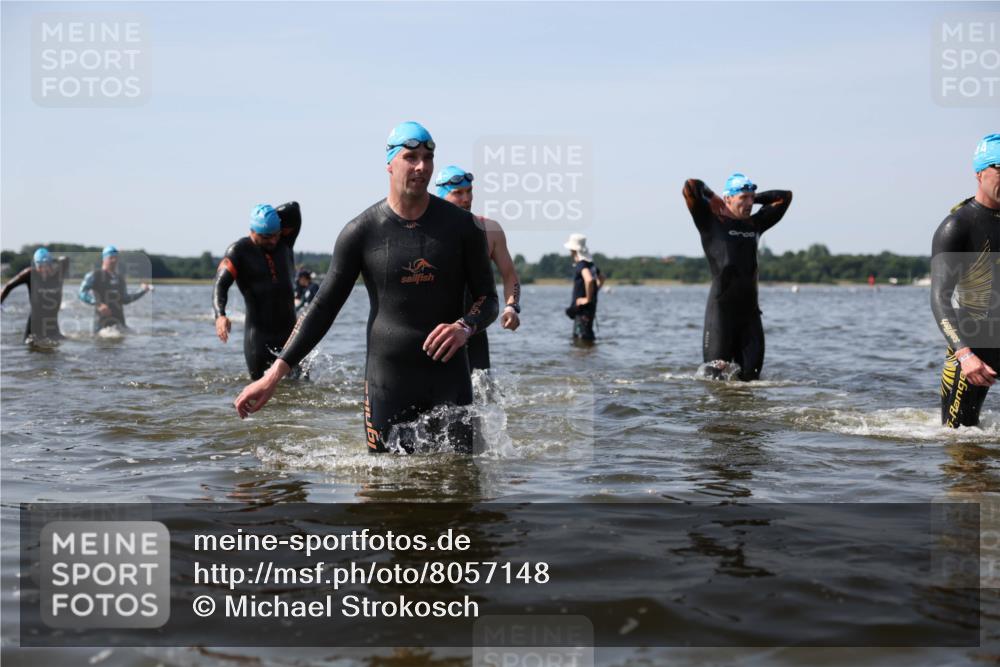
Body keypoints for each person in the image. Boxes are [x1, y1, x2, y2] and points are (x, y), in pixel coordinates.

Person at [234, 121, 499, 454]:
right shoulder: (361, 232)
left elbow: (488, 299)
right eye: (411, 157)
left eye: (428, 158)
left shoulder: (462, 228)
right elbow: (322, 308)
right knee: (381, 494)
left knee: (460, 487)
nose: (421, 166)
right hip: (387, 383)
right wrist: (273, 376)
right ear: (390, 163)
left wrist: (465, 326)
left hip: (449, 380)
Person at [683, 173, 793, 381]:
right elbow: (691, 187)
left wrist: (754, 195)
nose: (749, 203)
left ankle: (746, 416)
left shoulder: (755, 224)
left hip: (750, 316)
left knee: (752, 379)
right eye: (743, 198)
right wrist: (712, 196)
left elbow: (785, 197)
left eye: (751, 198)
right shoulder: (711, 221)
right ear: (728, 198)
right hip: (721, 314)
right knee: (714, 378)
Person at [932, 133, 1000, 428]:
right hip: (975, 345)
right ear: (979, 172)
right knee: (961, 443)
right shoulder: (957, 226)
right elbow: (939, 298)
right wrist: (964, 353)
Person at [435, 164, 521, 370]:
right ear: (440, 197)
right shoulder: (427, 231)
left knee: (481, 395)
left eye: (469, 191)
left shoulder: (489, 229)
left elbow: (509, 275)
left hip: (473, 327)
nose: (466, 199)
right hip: (436, 328)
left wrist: (512, 306)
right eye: (458, 193)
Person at [213, 202, 302, 380]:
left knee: (301, 386)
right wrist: (220, 315)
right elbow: (220, 284)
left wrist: (270, 216)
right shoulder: (238, 252)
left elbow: (294, 207)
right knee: (259, 390)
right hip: (259, 339)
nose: (272, 241)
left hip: (290, 334)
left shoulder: (285, 241)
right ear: (253, 231)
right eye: (266, 236)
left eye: (275, 235)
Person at [0, 247, 70, 343]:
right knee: (30, 346)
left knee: (57, 346)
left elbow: (66, 259)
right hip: (34, 322)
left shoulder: (58, 272)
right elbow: (8, 286)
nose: (43, 270)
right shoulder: (29, 274)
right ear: (35, 266)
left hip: (52, 321)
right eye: (40, 267)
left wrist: (51, 260)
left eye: (46, 266)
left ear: (51, 264)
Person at [78, 246, 151, 332]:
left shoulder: (120, 278)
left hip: (120, 324)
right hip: (101, 325)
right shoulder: (94, 275)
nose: (114, 260)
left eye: (116, 258)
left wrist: (142, 291)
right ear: (104, 259)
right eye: (111, 258)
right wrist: (98, 304)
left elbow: (125, 299)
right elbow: (82, 293)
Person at [563, 233, 603, 343]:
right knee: (587, 334)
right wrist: (594, 291)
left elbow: (589, 280)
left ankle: (583, 358)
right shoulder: (591, 265)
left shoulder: (581, 265)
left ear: (574, 251)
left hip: (582, 310)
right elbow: (602, 278)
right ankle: (589, 357)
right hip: (590, 309)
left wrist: (587, 299)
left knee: (581, 338)